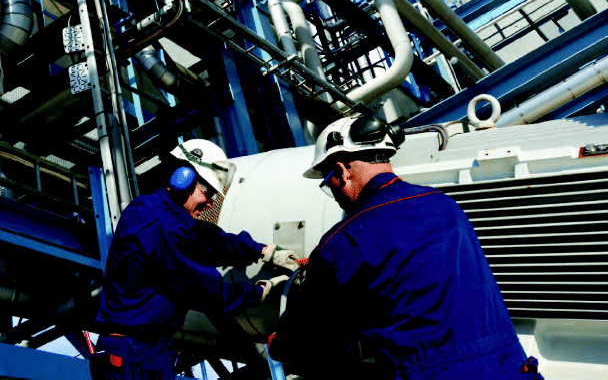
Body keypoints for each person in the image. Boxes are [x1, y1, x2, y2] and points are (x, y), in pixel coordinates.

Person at [269, 115, 543, 379]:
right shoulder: (445, 205)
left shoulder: (343, 241)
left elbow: (300, 337)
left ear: (341, 170)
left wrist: (277, 343)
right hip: (508, 366)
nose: (336, 197)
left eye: (330, 183)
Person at [92, 139, 298, 380]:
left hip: (144, 351)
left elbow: (212, 241)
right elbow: (209, 293)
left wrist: (262, 250)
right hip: (133, 356)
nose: (210, 202)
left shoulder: (156, 211)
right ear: (184, 179)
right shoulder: (163, 227)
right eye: (208, 192)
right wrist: (260, 293)